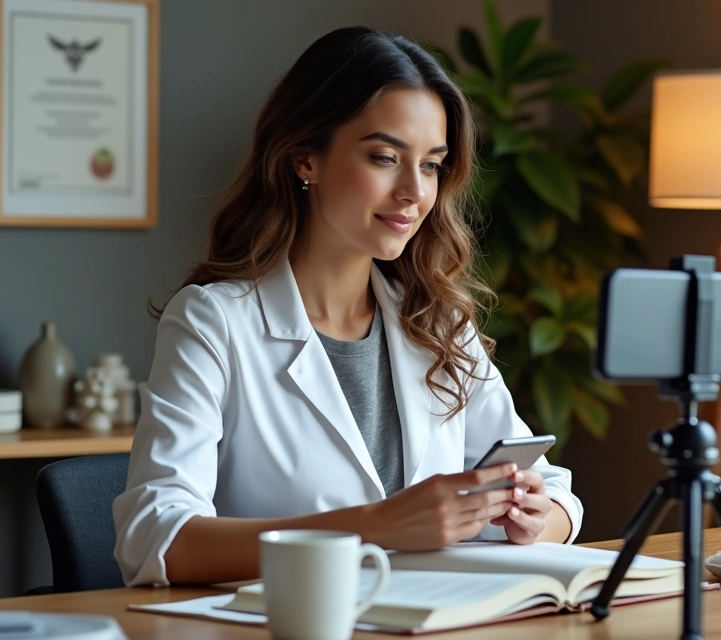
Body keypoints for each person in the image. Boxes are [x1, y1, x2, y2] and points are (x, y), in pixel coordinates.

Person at [112, 26, 584, 587]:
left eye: (431, 165)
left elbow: (557, 492)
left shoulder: (437, 324)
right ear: (304, 159)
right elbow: (156, 539)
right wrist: (378, 526)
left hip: (430, 617)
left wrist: (534, 518)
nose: (415, 192)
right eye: (385, 157)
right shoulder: (213, 321)